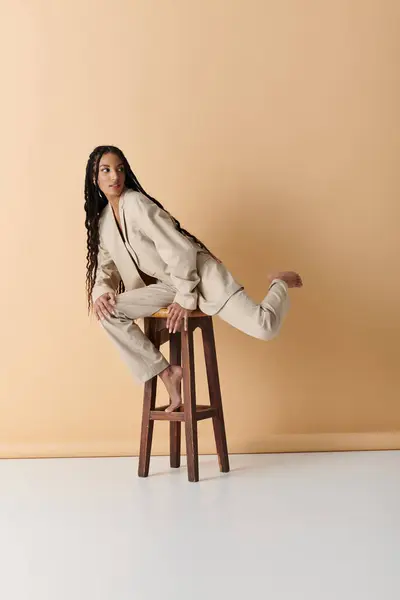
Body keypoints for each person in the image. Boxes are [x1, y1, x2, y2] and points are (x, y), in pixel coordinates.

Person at [84, 145, 303, 412]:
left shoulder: (137, 204)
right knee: (108, 312)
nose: (114, 176)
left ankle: (280, 282)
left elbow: (181, 250)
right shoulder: (104, 222)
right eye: (105, 170)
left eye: (119, 169)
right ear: (94, 178)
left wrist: (186, 299)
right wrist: (101, 294)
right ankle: (168, 374)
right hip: (166, 287)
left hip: (200, 277)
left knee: (265, 327)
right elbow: (104, 269)